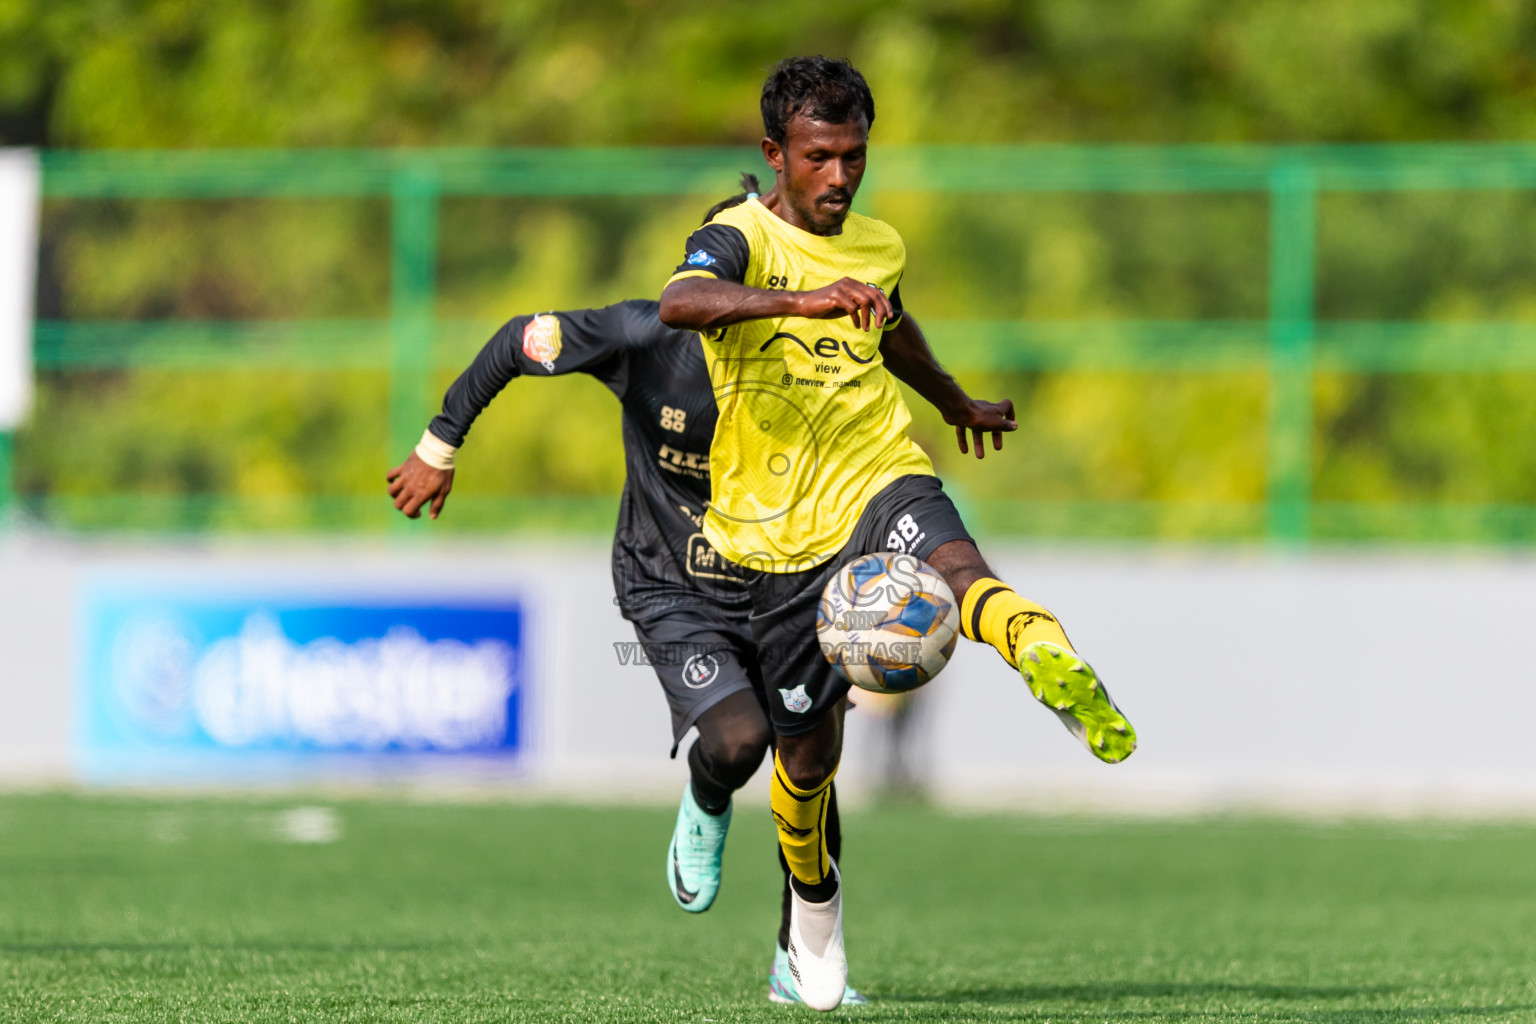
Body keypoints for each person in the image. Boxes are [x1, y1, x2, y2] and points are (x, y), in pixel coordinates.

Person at [385, 184, 1012, 1007]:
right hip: (672, 584)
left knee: (810, 761)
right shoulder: (638, 335)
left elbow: (887, 374)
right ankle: (708, 793)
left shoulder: (812, 354)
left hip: (791, 577)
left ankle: (804, 958)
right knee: (741, 741)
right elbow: (514, 340)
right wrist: (440, 445)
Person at [659, 55, 1137, 1011]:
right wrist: (805, 299)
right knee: (806, 761)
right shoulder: (737, 238)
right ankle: (811, 931)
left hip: (879, 471)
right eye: (821, 157)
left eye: (856, 158)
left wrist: (952, 396)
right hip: (776, 545)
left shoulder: (878, 244)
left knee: (956, 560)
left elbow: (895, 324)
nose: (840, 178)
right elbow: (681, 302)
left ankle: (1038, 644)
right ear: (776, 156)